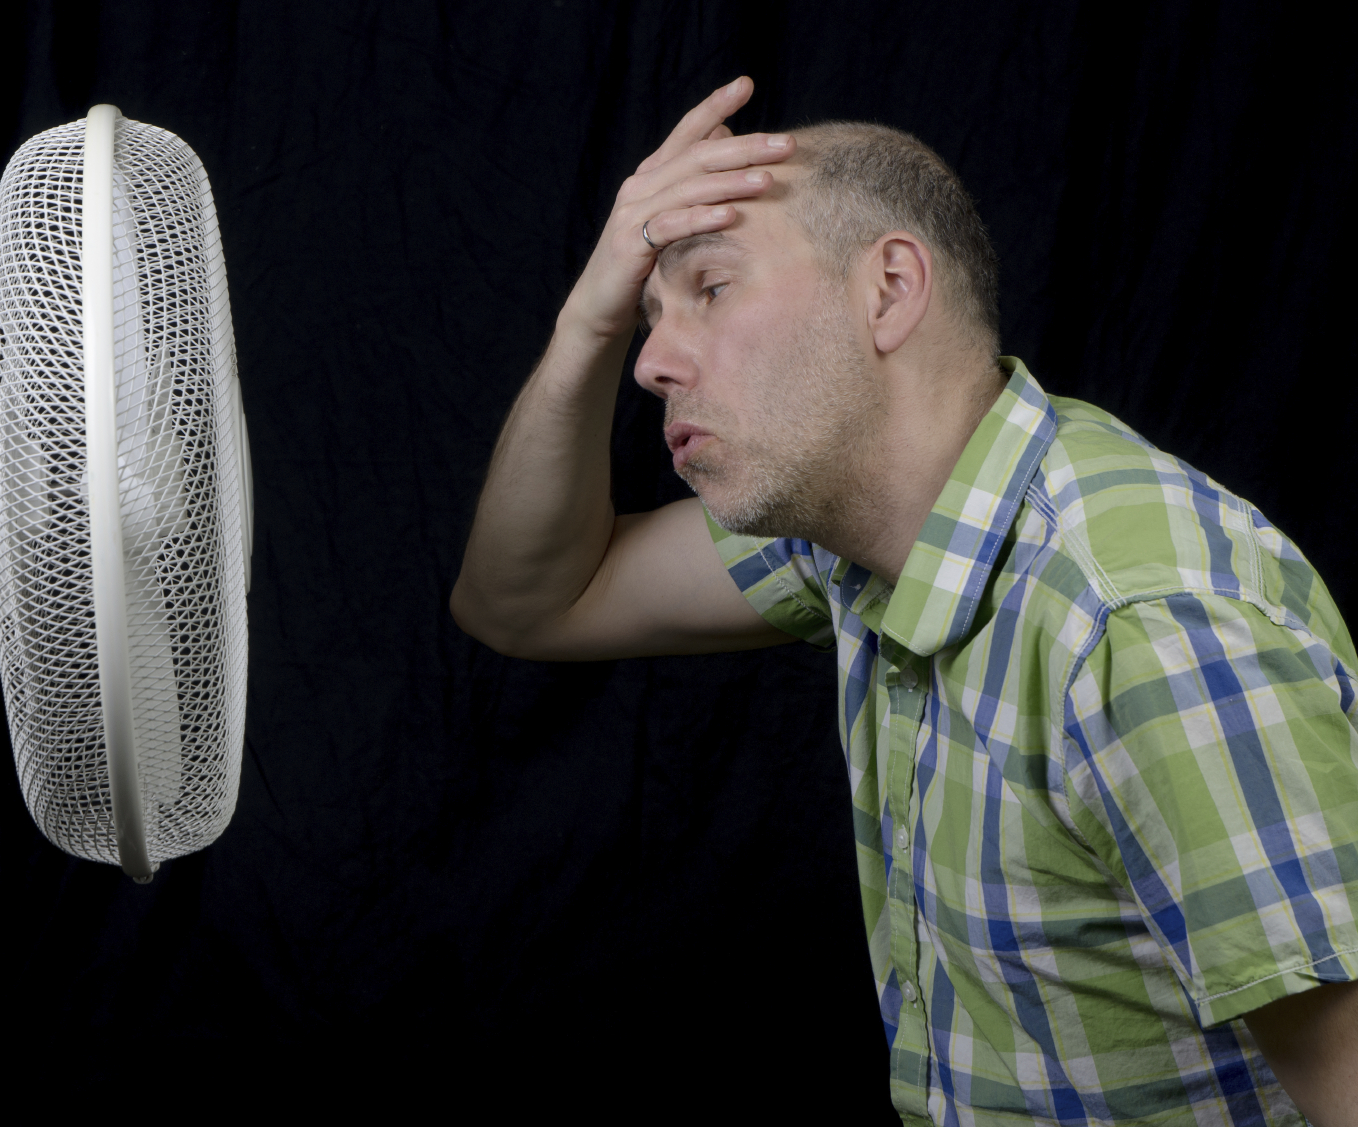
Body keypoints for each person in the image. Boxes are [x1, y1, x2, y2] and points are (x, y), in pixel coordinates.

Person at [450, 77, 1357, 1126]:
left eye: (708, 286)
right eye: (643, 319)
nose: (649, 361)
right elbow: (524, 600)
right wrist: (582, 323)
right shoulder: (855, 538)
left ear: (886, 288)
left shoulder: (1134, 622)